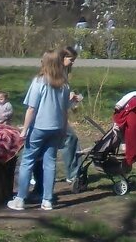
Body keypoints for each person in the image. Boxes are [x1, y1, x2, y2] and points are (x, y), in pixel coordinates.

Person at [8, 49, 71, 212]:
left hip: (39, 128)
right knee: (50, 163)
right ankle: (47, 200)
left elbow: (31, 108)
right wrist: (64, 129)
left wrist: (24, 129)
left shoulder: (39, 81)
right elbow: (65, 111)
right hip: (56, 128)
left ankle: (20, 199)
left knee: (27, 161)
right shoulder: (64, 85)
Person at [58, 48, 83, 188]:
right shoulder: (58, 74)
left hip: (60, 114)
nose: (72, 63)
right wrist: (68, 97)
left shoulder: (64, 73)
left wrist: (72, 100)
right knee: (70, 139)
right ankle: (72, 174)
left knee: (71, 140)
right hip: (55, 116)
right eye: (71, 60)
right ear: (63, 58)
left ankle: (73, 172)